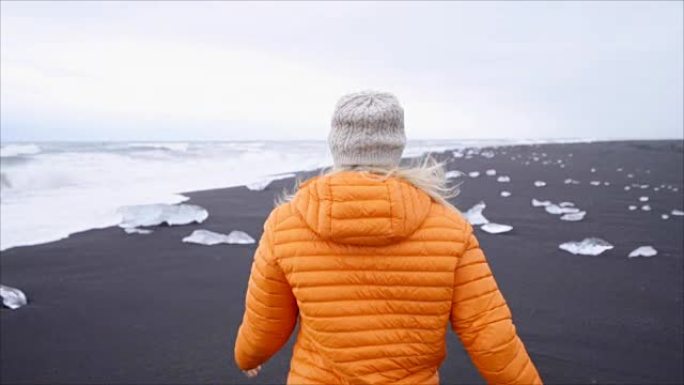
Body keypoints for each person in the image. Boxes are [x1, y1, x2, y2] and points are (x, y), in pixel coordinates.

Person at [234, 91, 542, 385]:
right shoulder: (449, 227)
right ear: (397, 145)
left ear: (336, 144)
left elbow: (264, 324)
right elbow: (490, 334)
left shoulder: (286, 224)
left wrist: (248, 357)